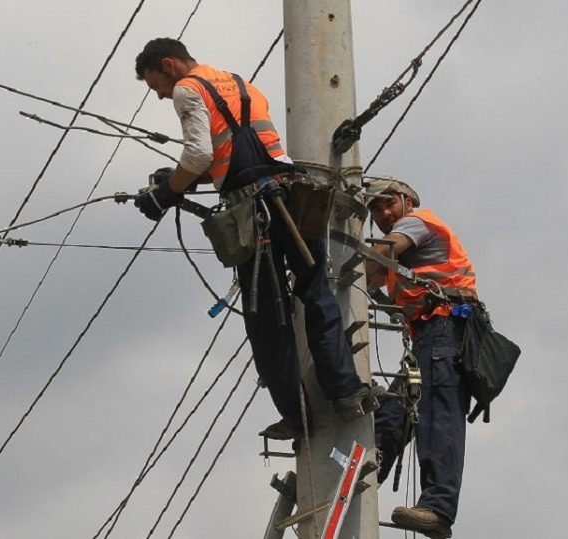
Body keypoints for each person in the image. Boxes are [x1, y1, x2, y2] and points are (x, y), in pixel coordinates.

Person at [132, 38, 378, 440]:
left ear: (168, 65)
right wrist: (180, 184)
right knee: (316, 293)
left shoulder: (186, 89)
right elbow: (237, 148)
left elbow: (198, 156)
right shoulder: (239, 82)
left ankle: (298, 417)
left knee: (267, 317)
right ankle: (347, 392)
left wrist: (164, 194)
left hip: (254, 211)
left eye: (154, 84)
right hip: (293, 197)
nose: (159, 95)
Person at [362, 177, 478, 539]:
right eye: (375, 209)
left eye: (388, 203)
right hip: (428, 337)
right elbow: (366, 279)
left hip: (447, 328)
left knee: (437, 414)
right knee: (393, 415)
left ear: (407, 201)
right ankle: (360, 483)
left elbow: (384, 253)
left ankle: (438, 507)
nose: (383, 213)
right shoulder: (400, 246)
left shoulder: (415, 223)